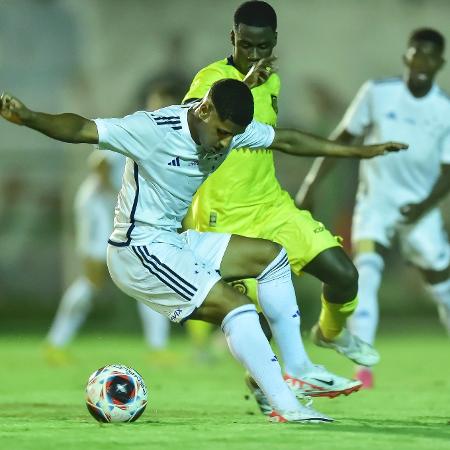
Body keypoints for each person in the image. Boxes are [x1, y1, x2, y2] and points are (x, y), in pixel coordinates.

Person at [0, 78, 405, 422]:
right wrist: (29, 117)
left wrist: (358, 151)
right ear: (206, 110)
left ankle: (298, 369)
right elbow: (82, 128)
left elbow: (286, 140)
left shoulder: (226, 124)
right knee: (237, 307)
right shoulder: (153, 130)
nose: (226, 143)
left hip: (173, 241)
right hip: (137, 251)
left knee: (271, 256)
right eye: (223, 132)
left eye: (233, 134)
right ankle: (286, 405)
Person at [182, 1, 381, 410]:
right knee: (257, 326)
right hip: (226, 218)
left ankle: (329, 333)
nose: (254, 55)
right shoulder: (211, 79)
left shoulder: (272, 82)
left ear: (274, 42)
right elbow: (195, 127)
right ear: (232, 38)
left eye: (264, 46)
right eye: (247, 45)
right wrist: (246, 84)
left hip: (273, 206)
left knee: (344, 275)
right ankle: (267, 390)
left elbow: (275, 139)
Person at [295, 28, 450, 388]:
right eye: (417, 54)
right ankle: (362, 368)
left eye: (431, 56)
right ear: (406, 57)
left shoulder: (445, 110)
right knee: (366, 272)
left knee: (443, 287)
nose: (423, 62)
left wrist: (425, 205)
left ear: (440, 63)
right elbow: (342, 140)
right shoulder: (377, 93)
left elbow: (448, 169)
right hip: (376, 203)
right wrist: (310, 184)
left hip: (420, 211)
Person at [44, 79, 187, 365]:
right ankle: (55, 344)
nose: (163, 106)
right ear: (148, 102)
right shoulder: (137, 127)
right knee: (94, 277)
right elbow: (98, 166)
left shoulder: (173, 134)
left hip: (124, 212)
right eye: (158, 100)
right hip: (99, 207)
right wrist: (119, 201)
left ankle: (158, 348)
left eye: (168, 101)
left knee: (145, 272)